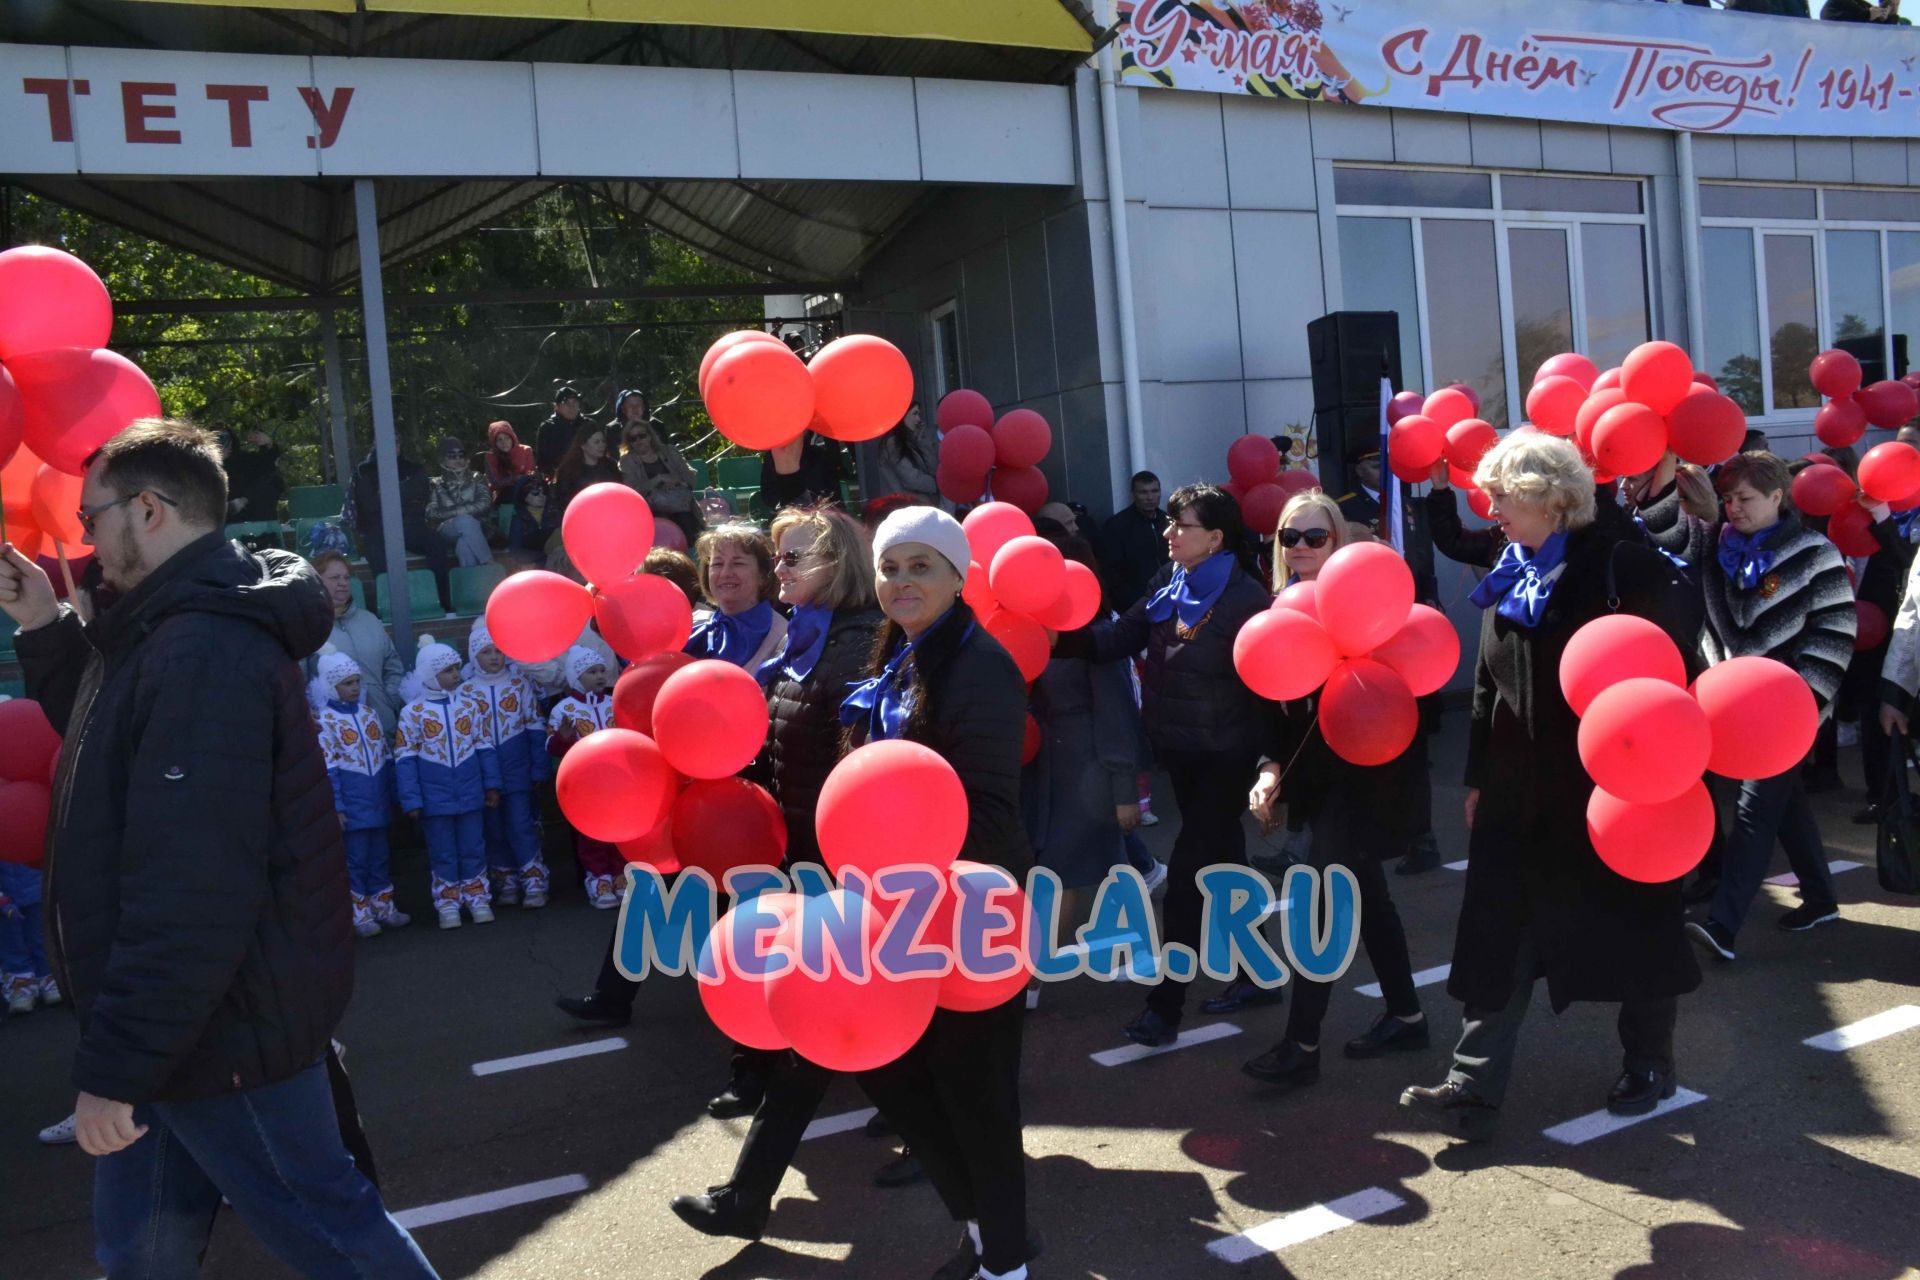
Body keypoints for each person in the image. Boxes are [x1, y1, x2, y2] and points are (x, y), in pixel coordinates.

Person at [0, 417, 437, 1276]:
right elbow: (116, 742)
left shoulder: (199, 645)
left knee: (335, 1236)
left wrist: (118, 1068)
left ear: (150, 509)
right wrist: (48, 623)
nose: (85, 539)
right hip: (187, 1030)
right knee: (141, 1253)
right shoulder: (177, 623)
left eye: (93, 519)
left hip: (219, 1032)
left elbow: (192, 887)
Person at [1400, 431, 1702, 1143]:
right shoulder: (1513, 566)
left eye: (1502, 494)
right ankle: (1473, 1084)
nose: (1492, 506)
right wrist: (1477, 776)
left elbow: (1675, 651)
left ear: (1548, 497)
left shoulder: (1617, 560)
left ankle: (1650, 1062)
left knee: (1635, 925)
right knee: (1498, 929)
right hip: (1516, 788)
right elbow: (1485, 686)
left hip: (1608, 788)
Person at [669, 506, 890, 1238]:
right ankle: (950, 1150)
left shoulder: (859, 645)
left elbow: (861, 764)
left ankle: (747, 1194)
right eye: (782, 558)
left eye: (794, 559)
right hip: (800, 855)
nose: (781, 570)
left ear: (838, 566)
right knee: (846, 1026)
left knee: (818, 1028)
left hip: (844, 864)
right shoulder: (804, 639)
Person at [843, 506, 1040, 1280]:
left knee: (978, 1097)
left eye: (921, 566)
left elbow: (990, 812)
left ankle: (1005, 1263)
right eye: (891, 567)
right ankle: (991, 1232)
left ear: (960, 577)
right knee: (894, 1074)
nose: (901, 581)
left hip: (969, 908)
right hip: (897, 905)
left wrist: (901, 856)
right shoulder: (897, 653)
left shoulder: (981, 665)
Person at [1058, 484, 1274, 1045]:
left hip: (1227, 758)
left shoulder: (1247, 598)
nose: (1168, 533)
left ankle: (1165, 1007)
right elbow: (1117, 638)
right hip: (1183, 755)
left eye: (1182, 525)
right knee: (1227, 866)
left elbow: (1267, 686)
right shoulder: (1167, 584)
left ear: (1216, 538)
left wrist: (1269, 771)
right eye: (1171, 523)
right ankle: (1259, 974)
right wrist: (1053, 637)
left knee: (1186, 880)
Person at [1241, 491, 1426, 1090]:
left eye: (1314, 537)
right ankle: (1407, 1014)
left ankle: (1302, 1042)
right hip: (1321, 787)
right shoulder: (1283, 610)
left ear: (1338, 542)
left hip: (1367, 780)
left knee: (1323, 906)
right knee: (1368, 900)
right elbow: (1279, 714)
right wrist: (1271, 771)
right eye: (1289, 537)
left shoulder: (1368, 606)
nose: (1299, 547)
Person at [1686, 452, 1856, 961]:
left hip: (1788, 710)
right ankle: (1822, 898)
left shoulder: (1814, 552)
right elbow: (1720, 623)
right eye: (1729, 498)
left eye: (1747, 499)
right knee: (1787, 807)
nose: (1735, 508)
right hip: (1735, 705)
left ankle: (1724, 925)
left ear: (1778, 497)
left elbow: (1836, 631)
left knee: (1754, 810)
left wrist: (1804, 702)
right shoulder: (1716, 546)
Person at [394, 639, 502, 931]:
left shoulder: (468, 707)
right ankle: (448, 903)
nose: (456, 674)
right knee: (443, 851)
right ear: (430, 675)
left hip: (470, 793)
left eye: (456, 668)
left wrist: (491, 785)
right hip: (434, 799)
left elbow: (484, 745)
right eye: (448, 670)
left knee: (473, 847)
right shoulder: (412, 713)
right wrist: (412, 800)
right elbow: (405, 758)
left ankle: (478, 898)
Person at [311, 649, 408, 939]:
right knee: (355, 860)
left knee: (379, 856)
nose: (354, 688)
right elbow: (329, 767)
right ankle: (359, 911)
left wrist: (393, 794)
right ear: (330, 686)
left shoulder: (369, 715)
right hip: (352, 805)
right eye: (347, 683)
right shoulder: (325, 721)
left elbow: (385, 757)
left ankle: (384, 905)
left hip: (376, 800)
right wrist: (337, 806)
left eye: (356, 681)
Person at [465, 618, 551, 909]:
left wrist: (539, 767)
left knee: (521, 825)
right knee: (495, 830)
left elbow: (535, 727)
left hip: (518, 771)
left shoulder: (519, 685)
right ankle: (507, 880)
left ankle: (534, 880)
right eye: (486, 652)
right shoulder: (466, 692)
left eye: (498, 651)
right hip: (483, 777)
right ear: (474, 656)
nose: (493, 657)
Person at [547, 646, 624, 908]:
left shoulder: (613, 703)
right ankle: (598, 879)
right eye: (592, 672)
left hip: (616, 781)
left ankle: (619, 874)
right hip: (585, 785)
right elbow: (550, 747)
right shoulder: (563, 709)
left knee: (619, 829)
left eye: (602, 670)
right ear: (576, 677)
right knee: (592, 834)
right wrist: (563, 739)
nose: (600, 675)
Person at [305, 551, 408, 735]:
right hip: (337, 736)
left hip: (383, 724)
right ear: (316, 582)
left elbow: (393, 667)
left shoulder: (370, 620)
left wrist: (388, 699)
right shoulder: (307, 627)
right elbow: (300, 680)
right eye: (335, 577)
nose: (343, 583)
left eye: (346, 577)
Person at [350, 446, 454, 614]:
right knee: (374, 551)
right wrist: (403, 494)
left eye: (397, 441)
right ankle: (388, 605)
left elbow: (421, 496)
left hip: (411, 525)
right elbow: (369, 506)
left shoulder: (413, 468)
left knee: (436, 544)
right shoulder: (364, 471)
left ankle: (442, 600)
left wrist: (388, 496)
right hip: (379, 528)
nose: (393, 445)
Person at [687, 524, 789, 672]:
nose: (726, 573)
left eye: (738, 563)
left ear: (763, 575)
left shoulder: (783, 638)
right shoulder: (692, 624)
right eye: (717, 564)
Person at [614, 389, 702, 544]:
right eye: (633, 438)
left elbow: (691, 478)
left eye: (642, 435)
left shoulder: (670, 452)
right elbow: (631, 491)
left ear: (650, 436)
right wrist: (658, 480)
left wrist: (676, 481)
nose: (639, 440)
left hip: (681, 506)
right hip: (651, 512)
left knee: (687, 523)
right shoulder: (627, 461)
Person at [1095, 470, 1168, 610]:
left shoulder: (1168, 521)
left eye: (1154, 491)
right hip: (1135, 603)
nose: (1150, 497)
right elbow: (1110, 570)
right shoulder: (1116, 525)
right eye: (1143, 492)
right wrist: (1131, 600)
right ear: (1133, 495)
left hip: (1169, 598)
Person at [423, 437, 495, 569]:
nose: (458, 459)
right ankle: (490, 565)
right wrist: (459, 514)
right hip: (448, 530)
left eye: (461, 454)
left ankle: (472, 586)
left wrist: (452, 511)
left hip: (478, 526)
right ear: (443, 459)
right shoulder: (436, 484)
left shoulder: (477, 477)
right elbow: (431, 512)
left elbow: (485, 503)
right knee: (464, 520)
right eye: (452, 455)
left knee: (464, 545)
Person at [0, 857, 57, 1013]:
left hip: (34, 883)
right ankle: (20, 983)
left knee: (39, 934)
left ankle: (48, 975)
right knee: (11, 940)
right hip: (5, 890)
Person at [870, 401, 939, 503]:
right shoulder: (892, 443)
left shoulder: (910, 442)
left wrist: (923, 443)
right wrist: (938, 484)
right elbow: (911, 480)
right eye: (914, 414)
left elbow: (933, 468)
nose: (918, 419)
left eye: (918, 414)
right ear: (902, 415)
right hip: (906, 505)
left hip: (918, 504)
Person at [758, 430, 845, 511]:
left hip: (819, 516)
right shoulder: (772, 457)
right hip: (786, 515)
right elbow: (768, 496)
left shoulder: (819, 456)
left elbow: (834, 497)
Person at [552, 422, 622, 520]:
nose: (602, 445)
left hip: (610, 515)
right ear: (583, 445)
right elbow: (563, 500)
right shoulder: (568, 470)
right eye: (596, 442)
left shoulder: (611, 466)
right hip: (581, 517)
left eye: (603, 441)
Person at [215, 428, 286, 523]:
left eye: (228, 439)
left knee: (272, 480)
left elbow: (267, 466)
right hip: (213, 522)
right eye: (219, 439)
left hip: (248, 521)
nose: (226, 444)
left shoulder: (242, 461)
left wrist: (268, 444)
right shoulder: (200, 467)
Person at [536, 385, 587, 476]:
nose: (571, 406)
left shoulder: (588, 424)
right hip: (561, 479)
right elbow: (543, 463)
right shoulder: (548, 428)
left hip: (590, 478)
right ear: (556, 407)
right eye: (566, 403)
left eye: (575, 402)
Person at [483, 420, 536, 505]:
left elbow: (531, 475)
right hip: (502, 497)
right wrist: (513, 479)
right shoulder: (491, 457)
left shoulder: (526, 450)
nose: (504, 443)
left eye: (506, 438)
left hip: (526, 492)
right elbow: (495, 483)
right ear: (494, 443)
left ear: (512, 438)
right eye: (499, 440)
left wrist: (521, 480)